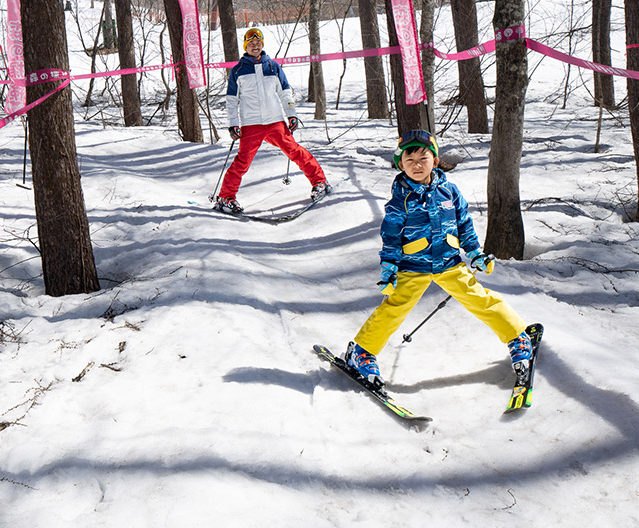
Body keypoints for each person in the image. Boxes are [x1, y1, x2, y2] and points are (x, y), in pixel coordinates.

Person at [344, 130, 533, 385]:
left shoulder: (450, 191)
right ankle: (361, 352)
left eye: (424, 158)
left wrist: (475, 252)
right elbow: (391, 237)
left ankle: (517, 336)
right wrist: (388, 268)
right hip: (413, 267)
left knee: (480, 300)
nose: (417, 165)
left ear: (435, 160)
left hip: (449, 263)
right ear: (401, 165)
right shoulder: (401, 200)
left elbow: (464, 223)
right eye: (409, 161)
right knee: (394, 309)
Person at [214, 27, 330, 214]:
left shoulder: (273, 67)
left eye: (258, 43)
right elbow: (231, 100)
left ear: (262, 45)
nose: (255, 46)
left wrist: (291, 114)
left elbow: (285, 92)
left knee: (295, 151)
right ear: (245, 46)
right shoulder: (238, 70)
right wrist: (233, 123)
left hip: (275, 121)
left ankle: (320, 182)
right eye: (251, 44)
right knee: (242, 162)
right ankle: (226, 197)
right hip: (251, 124)